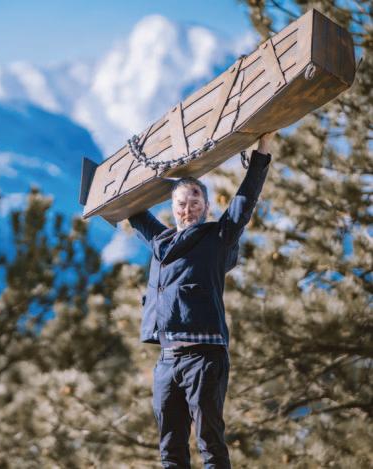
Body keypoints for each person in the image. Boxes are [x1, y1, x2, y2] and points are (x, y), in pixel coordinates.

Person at [128, 131, 276, 468]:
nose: (188, 208)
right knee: (170, 448)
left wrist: (262, 150)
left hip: (205, 357)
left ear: (206, 207)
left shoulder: (217, 237)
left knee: (210, 443)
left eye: (195, 201)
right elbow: (131, 208)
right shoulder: (160, 242)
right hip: (167, 360)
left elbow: (244, 202)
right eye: (181, 203)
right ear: (172, 209)